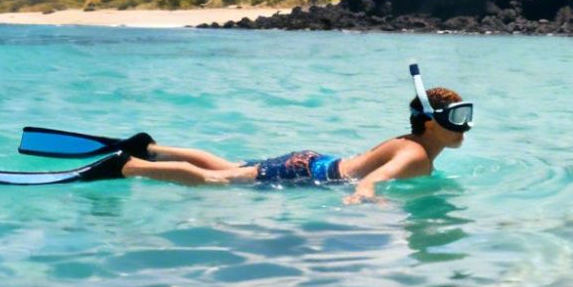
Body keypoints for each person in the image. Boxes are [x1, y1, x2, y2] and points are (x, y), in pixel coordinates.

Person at [97, 87, 472, 205]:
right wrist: (370, 201)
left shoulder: (406, 142)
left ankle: (153, 148)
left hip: (313, 162)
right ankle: (129, 165)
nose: (465, 127)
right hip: (311, 173)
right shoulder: (416, 155)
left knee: (227, 166)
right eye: (455, 118)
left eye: (465, 115)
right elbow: (370, 182)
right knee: (218, 181)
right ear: (428, 123)